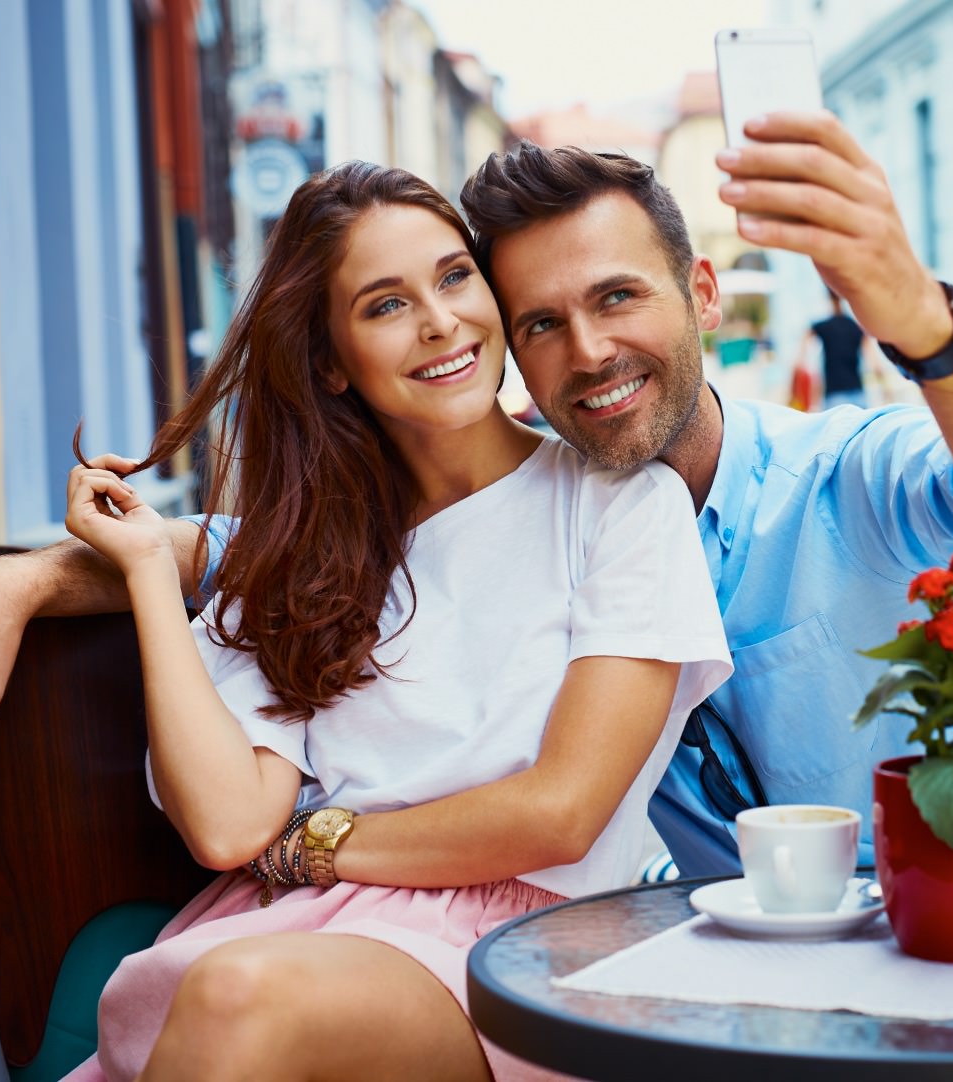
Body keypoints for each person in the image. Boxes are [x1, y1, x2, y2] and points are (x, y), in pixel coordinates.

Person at [0, 111, 953, 880]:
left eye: (618, 297)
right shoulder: (509, 515)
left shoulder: (843, 475)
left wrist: (921, 319)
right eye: (541, 320)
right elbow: (214, 549)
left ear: (702, 295)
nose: (590, 351)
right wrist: (10, 582)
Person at [57, 162, 728, 1080]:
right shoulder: (302, 552)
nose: (440, 321)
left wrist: (317, 845)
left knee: (237, 998)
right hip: (287, 939)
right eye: (385, 305)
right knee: (229, 992)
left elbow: (563, 815)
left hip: (518, 953)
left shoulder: (620, 506)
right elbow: (226, 825)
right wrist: (143, 570)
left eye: (455, 278)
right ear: (331, 361)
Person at [800, 290, 872, 410]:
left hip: (834, 394)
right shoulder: (856, 327)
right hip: (857, 391)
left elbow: (801, 355)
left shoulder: (824, 326)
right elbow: (874, 362)